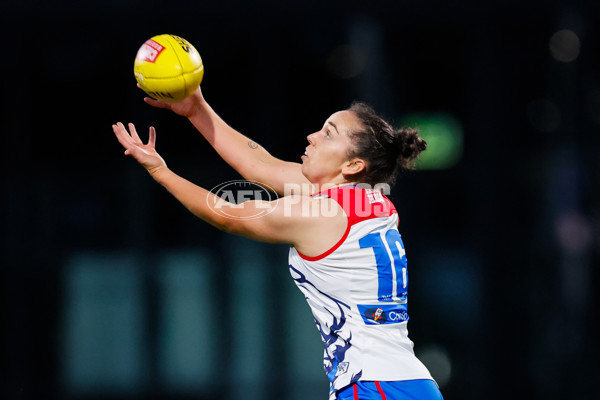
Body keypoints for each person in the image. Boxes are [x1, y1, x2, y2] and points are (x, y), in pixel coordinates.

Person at [112, 86, 444, 400]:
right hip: (407, 381)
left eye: (328, 134)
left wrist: (160, 171)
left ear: (353, 165)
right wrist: (197, 110)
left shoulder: (320, 211)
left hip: (374, 387)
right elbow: (260, 166)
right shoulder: (370, 198)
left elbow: (227, 214)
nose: (312, 137)